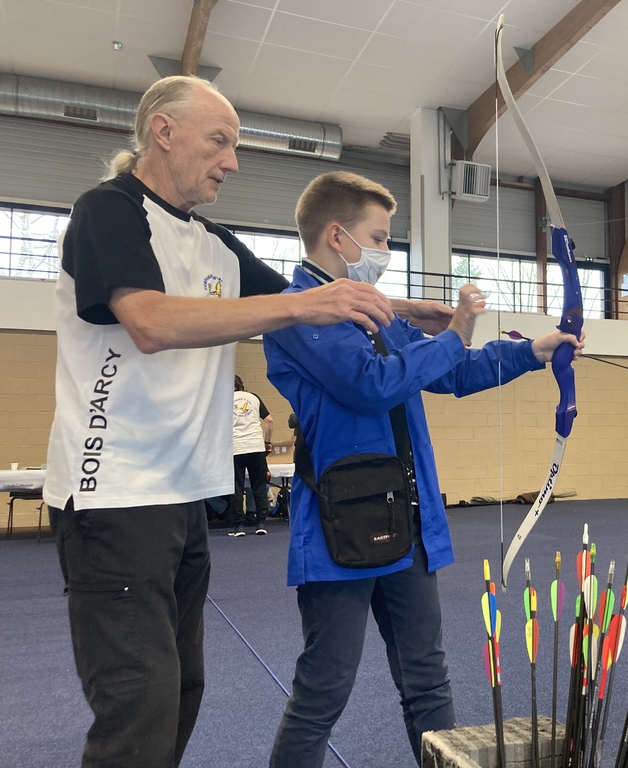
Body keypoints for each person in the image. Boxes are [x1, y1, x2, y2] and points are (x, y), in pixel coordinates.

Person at [42, 75, 398, 768]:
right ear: (163, 131)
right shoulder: (109, 210)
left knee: (181, 691)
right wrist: (305, 306)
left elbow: (300, 296)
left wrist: (411, 311)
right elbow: (149, 321)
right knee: (138, 704)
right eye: (219, 141)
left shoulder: (213, 241)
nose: (232, 161)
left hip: (182, 495)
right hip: (114, 494)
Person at [263, 171, 584, 767]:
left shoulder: (374, 310)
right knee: (323, 690)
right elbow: (372, 385)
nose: (385, 251)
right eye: (378, 238)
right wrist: (456, 331)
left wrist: (532, 351)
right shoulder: (297, 311)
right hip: (341, 528)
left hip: (409, 524)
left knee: (428, 684)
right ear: (336, 235)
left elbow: (452, 371)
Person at [230, 374, 274, 536]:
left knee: (237, 487)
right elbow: (269, 421)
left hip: (236, 447)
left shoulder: (224, 400)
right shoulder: (253, 398)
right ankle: (261, 522)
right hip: (256, 446)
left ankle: (238, 526)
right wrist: (267, 441)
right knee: (258, 486)